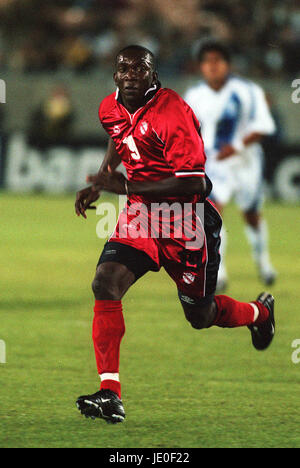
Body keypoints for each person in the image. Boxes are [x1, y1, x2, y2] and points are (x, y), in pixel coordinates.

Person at [74, 45, 275, 424]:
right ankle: (109, 393)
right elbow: (120, 138)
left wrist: (127, 187)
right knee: (105, 282)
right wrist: (102, 180)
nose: (131, 74)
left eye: (140, 68)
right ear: (115, 75)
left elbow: (197, 183)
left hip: (187, 224)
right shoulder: (109, 108)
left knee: (201, 314)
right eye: (124, 68)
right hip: (141, 219)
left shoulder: (172, 111)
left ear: (154, 75)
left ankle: (259, 313)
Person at [184, 40, 277, 291]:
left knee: (251, 215)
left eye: (217, 61)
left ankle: (263, 262)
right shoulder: (194, 96)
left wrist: (236, 146)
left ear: (227, 64)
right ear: (201, 67)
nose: (212, 66)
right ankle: (219, 271)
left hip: (245, 160)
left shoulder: (247, 90)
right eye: (207, 62)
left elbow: (264, 126)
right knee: (212, 213)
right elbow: (186, 131)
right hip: (214, 162)